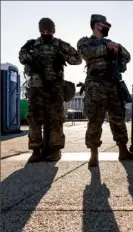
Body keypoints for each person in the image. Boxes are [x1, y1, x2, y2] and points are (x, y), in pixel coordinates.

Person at [18, 18, 82, 163]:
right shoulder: (32, 44)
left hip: (55, 86)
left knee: (56, 119)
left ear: (53, 30)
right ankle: (35, 150)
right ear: (40, 30)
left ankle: (55, 150)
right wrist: (28, 57)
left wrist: (63, 55)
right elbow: (21, 56)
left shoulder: (59, 44)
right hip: (37, 87)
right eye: (43, 30)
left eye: (48, 30)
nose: (45, 33)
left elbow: (77, 60)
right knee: (34, 118)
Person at [77, 14, 133, 167]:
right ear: (96, 25)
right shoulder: (86, 41)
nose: (108, 27)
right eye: (105, 24)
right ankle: (93, 153)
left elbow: (128, 57)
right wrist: (106, 48)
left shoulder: (112, 42)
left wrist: (117, 48)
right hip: (96, 84)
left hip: (114, 85)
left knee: (118, 118)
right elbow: (85, 53)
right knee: (95, 119)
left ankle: (123, 150)